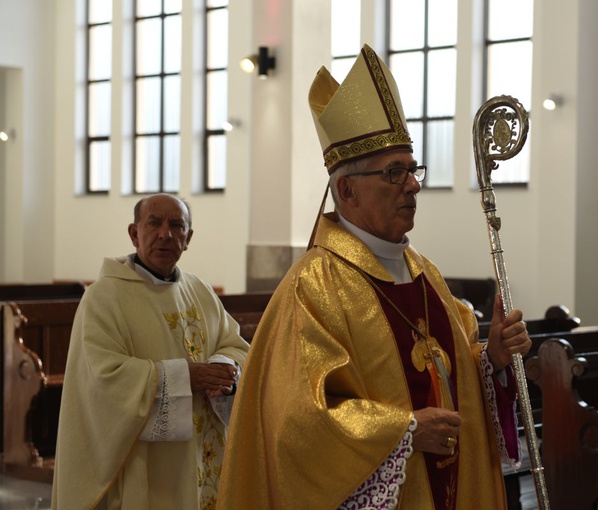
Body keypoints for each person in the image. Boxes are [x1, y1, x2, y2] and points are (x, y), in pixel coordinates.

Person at [217, 44, 532, 509]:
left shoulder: (425, 274)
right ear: (346, 189)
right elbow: (298, 425)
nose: (413, 185)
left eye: (412, 169)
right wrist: (403, 433)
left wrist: (492, 360)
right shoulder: (312, 288)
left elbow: (446, 370)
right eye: (393, 172)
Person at [52, 193, 250, 510]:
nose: (165, 235)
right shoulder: (104, 297)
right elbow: (104, 377)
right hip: (143, 461)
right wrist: (185, 377)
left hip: (201, 453)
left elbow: (233, 342)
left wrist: (223, 368)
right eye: (154, 223)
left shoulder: (199, 290)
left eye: (177, 225)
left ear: (188, 238)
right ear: (134, 233)